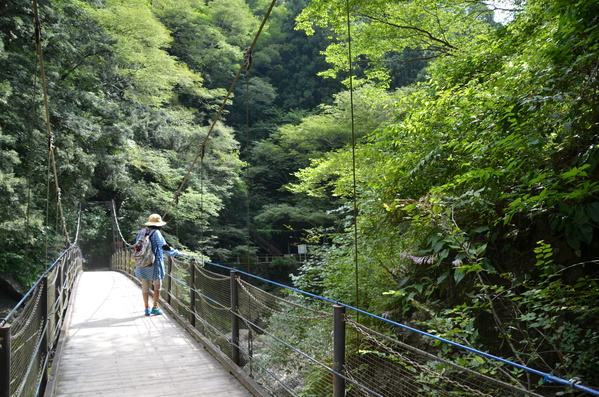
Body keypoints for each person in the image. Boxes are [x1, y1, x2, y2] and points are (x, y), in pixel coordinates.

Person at [134, 213, 179, 316]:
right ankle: (155, 307)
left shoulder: (141, 232)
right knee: (157, 285)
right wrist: (176, 252)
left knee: (145, 285)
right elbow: (164, 247)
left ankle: (146, 308)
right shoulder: (156, 233)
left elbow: (137, 246)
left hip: (142, 262)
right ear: (159, 225)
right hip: (154, 263)